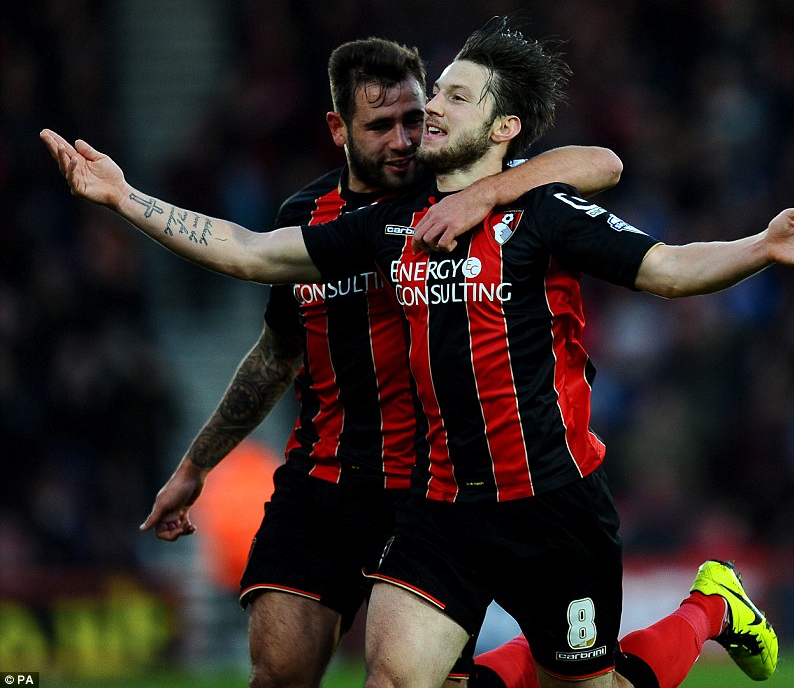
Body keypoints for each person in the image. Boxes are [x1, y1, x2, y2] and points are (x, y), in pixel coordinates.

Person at [42, 16, 794, 688]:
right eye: (437, 92)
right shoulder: (395, 222)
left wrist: (757, 245)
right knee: (394, 680)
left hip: (554, 506)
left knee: (596, 683)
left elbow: (666, 266)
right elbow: (255, 252)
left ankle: (710, 607)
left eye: (454, 97)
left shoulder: (544, 213)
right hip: (444, 507)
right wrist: (125, 198)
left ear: (502, 130)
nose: (430, 108)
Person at [132, 36, 623, 688]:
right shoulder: (309, 216)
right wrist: (197, 466)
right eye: (380, 125)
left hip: (425, 487)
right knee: (279, 672)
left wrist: (489, 192)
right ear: (338, 128)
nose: (403, 140)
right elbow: (276, 350)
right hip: (325, 481)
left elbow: (596, 163)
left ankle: (700, 615)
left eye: (414, 119)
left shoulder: (451, 184)